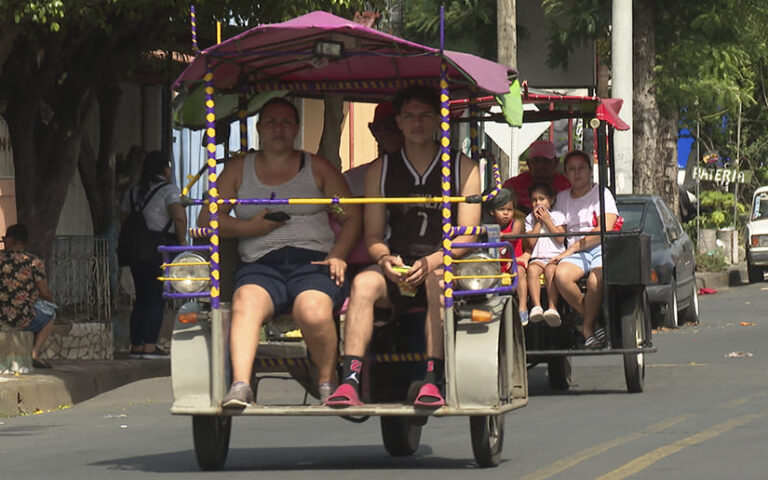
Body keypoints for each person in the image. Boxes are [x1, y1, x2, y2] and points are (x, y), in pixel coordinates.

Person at [198, 97, 362, 408]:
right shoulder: (237, 170)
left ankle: (327, 382)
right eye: (271, 121)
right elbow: (207, 219)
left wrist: (339, 254)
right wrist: (251, 229)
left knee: (312, 310)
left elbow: (350, 215)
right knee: (244, 303)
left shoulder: (318, 168)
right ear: (259, 128)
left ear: (297, 129)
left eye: (287, 122)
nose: (279, 128)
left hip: (312, 264)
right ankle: (240, 385)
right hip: (261, 266)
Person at [326, 85, 481, 408]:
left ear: (439, 120)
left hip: (445, 263)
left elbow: (468, 234)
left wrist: (435, 260)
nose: (417, 123)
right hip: (399, 265)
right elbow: (372, 236)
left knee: (438, 283)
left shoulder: (462, 166)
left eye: (425, 115)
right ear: (398, 121)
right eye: (409, 116)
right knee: (365, 283)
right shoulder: (380, 170)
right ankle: (350, 380)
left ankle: (431, 378)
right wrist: (384, 260)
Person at [121, 151, 188, 359]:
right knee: (156, 297)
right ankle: (150, 345)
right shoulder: (169, 190)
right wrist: (183, 241)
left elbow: (124, 217)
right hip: (159, 247)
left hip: (135, 248)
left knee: (141, 296)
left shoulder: (132, 192)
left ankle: (137, 345)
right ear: (165, 168)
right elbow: (178, 217)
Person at [551, 150, 618, 349]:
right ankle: (593, 322)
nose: (577, 173)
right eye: (572, 169)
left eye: (581, 168)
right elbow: (559, 230)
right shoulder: (562, 198)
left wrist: (572, 249)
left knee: (595, 280)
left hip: (598, 248)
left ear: (590, 171)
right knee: (561, 276)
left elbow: (606, 227)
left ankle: (587, 327)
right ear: (566, 173)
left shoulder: (601, 193)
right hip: (575, 252)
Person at [0, 224, 57, 369]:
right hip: (23, 319)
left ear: (10, 240)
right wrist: (51, 300)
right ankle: (34, 353)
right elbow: (45, 293)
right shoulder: (33, 262)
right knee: (51, 314)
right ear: (25, 243)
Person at [524, 182, 567, 327]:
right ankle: (536, 306)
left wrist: (547, 221)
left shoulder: (558, 216)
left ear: (551, 200)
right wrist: (537, 223)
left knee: (550, 271)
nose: (538, 203)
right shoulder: (529, 219)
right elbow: (530, 243)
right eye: (534, 200)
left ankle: (552, 307)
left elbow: (560, 238)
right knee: (532, 270)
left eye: (541, 199)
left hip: (554, 256)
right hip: (538, 257)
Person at [487, 189, 530, 325]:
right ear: (492, 212)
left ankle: (523, 307)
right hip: (497, 263)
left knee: (520, 272)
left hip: (515, 260)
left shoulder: (516, 222)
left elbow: (515, 234)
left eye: (509, 209)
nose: (506, 213)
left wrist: (502, 235)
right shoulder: (489, 226)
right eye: (501, 209)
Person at [502, 140, 570, 213]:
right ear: (528, 163)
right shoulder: (513, 186)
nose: (540, 166)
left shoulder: (567, 187)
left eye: (545, 161)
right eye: (536, 161)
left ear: (556, 162)